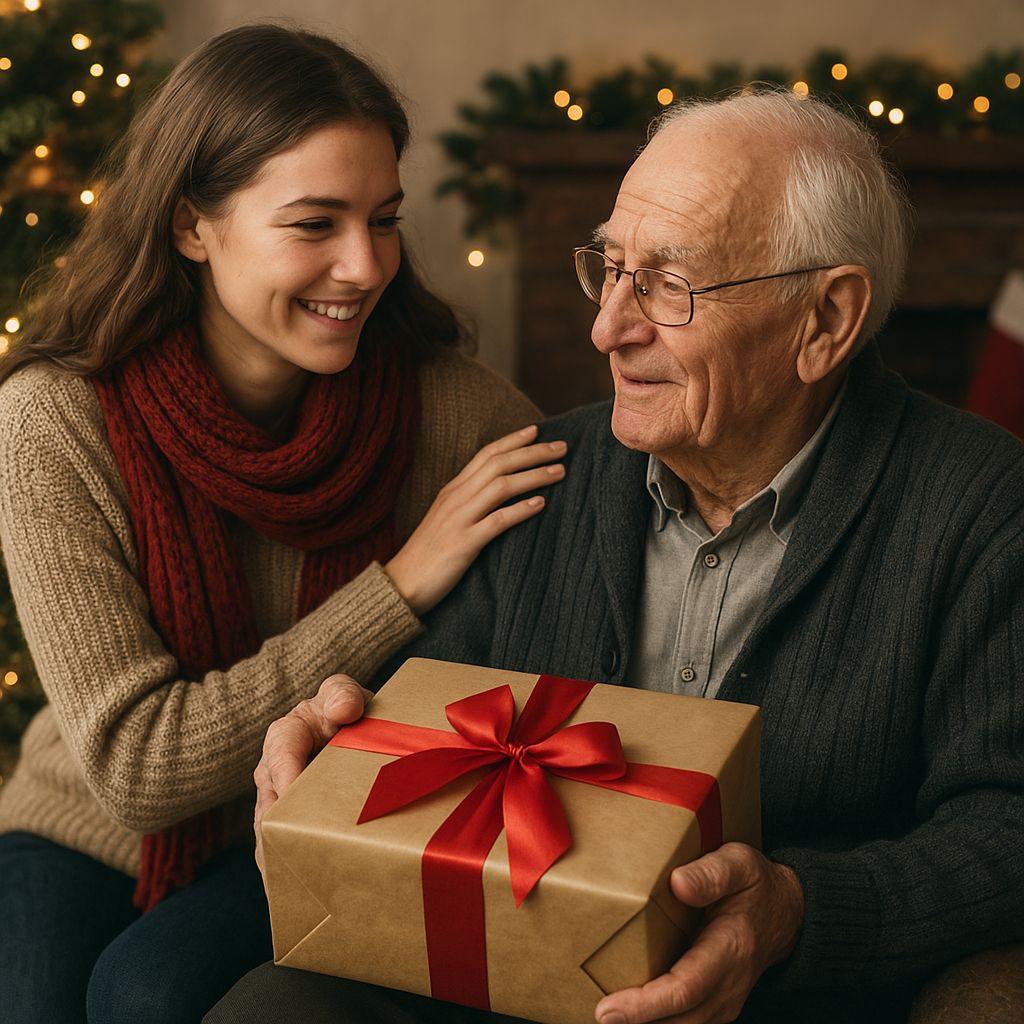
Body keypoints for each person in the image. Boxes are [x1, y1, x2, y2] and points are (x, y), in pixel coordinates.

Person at [209, 87, 1024, 1024]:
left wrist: (795, 911)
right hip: (523, 964)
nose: (609, 329)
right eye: (611, 268)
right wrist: (336, 740)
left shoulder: (981, 507)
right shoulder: (542, 476)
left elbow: (1006, 822)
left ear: (827, 321)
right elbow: (420, 719)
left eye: (672, 285)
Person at [0, 23, 568, 1024]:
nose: (363, 266)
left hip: (329, 810)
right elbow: (137, 766)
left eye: (382, 220)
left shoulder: (458, 411)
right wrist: (400, 586)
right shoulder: (53, 418)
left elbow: (568, 636)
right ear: (191, 225)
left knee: (144, 995)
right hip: (86, 823)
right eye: (315, 224)